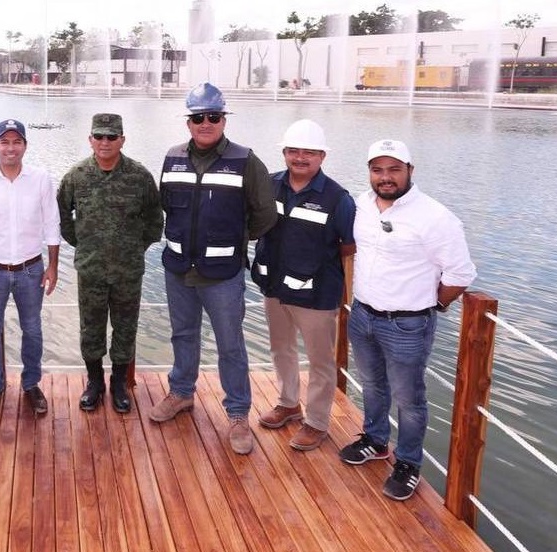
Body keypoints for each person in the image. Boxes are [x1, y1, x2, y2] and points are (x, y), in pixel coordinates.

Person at [340, 139, 476, 501]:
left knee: (409, 398)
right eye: (377, 169)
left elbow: (460, 274)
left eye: (394, 169)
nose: (385, 177)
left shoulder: (435, 217)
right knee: (371, 384)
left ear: (410, 171)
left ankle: (409, 463)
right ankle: (375, 440)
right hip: (363, 314)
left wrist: (433, 306)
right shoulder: (359, 206)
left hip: (407, 324)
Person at [148, 83, 278, 456]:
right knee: (182, 335)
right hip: (178, 271)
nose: (205, 124)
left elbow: (264, 215)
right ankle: (181, 393)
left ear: (223, 119)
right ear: (189, 122)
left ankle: (237, 414)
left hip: (223, 275)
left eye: (213, 117)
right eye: (198, 117)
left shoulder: (245, 161)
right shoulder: (172, 157)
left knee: (231, 345)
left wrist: (234, 241)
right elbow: (165, 206)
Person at [251, 119, 355, 451]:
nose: (300, 158)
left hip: (317, 295)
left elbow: (348, 248)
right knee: (281, 349)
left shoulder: (338, 199)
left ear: (322, 156)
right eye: (293, 151)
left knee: (320, 361)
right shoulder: (268, 185)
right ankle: (288, 403)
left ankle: (317, 422)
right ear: (284, 153)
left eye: (309, 152)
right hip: (275, 288)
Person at [57, 113, 162, 413]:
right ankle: (94, 382)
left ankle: (118, 383)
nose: (105, 142)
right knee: (90, 328)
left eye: (111, 137)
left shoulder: (139, 176)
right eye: (99, 136)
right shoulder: (76, 176)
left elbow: (155, 220)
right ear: (90, 139)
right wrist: (86, 244)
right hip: (91, 270)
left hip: (128, 270)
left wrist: (134, 248)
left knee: (125, 327)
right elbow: (62, 216)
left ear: (122, 140)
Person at [0, 119, 60, 415]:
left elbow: (51, 224)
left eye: (17, 141)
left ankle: (31, 385)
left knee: (32, 329)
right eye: (4, 142)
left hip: (31, 270)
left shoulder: (41, 178)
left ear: (25, 146)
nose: (11, 147)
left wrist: (53, 266)